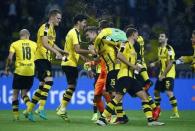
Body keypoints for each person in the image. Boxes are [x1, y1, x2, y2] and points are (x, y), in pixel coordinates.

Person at [95, 27, 165, 126]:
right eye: (137, 34)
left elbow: (130, 61)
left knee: (144, 95)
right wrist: (132, 66)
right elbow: (119, 55)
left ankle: (151, 120)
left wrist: (138, 67)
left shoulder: (133, 48)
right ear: (133, 34)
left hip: (132, 78)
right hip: (124, 77)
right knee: (117, 98)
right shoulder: (125, 44)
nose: (138, 36)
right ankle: (102, 119)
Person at [25, 9, 68, 121]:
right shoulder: (46, 27)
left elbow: (51, 43)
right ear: (52, 17)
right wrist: (56, 53)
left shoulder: (52, 30)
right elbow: (44, 43)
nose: (60, 20)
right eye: (58, 18)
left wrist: (62, 51)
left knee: (42, 85)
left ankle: (28, 110)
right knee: (49, 81)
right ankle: (41, 108)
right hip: (41, 58)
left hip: (46, 59)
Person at [56, 14, 95, 121]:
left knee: (71, 86)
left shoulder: (75, 33)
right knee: (72, 86)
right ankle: (62, 108)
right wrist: (90, 52)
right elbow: (77, 50)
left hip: (69, 63)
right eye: (84, 22)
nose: (85, 25)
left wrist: (85, 58)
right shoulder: (74, 32)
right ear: (78, 22)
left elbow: (75, 51)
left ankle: (61, 107)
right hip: (69, 63)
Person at [4, 29, 37, 121]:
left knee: (15, 93)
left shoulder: (14, 44)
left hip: (19, 71)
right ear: (28, 35)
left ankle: (16, 116)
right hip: (30, 71)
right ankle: (30, 107)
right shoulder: (34, 44)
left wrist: (7, 69)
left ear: (20, 35)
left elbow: (10, 58)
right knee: (24, 93)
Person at [150, 33, 180, 119]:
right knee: (156, 92)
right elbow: (160, 61)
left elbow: (171, 63)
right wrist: (154, 63)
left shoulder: (169, 48)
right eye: (159, 36)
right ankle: (158, 110)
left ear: (166, 39)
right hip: (161, 74)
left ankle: (176, 113)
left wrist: (163, 75)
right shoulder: (160, 49)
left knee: (169, 93)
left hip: (169, 74)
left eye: (162, 36)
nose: (160, 37)